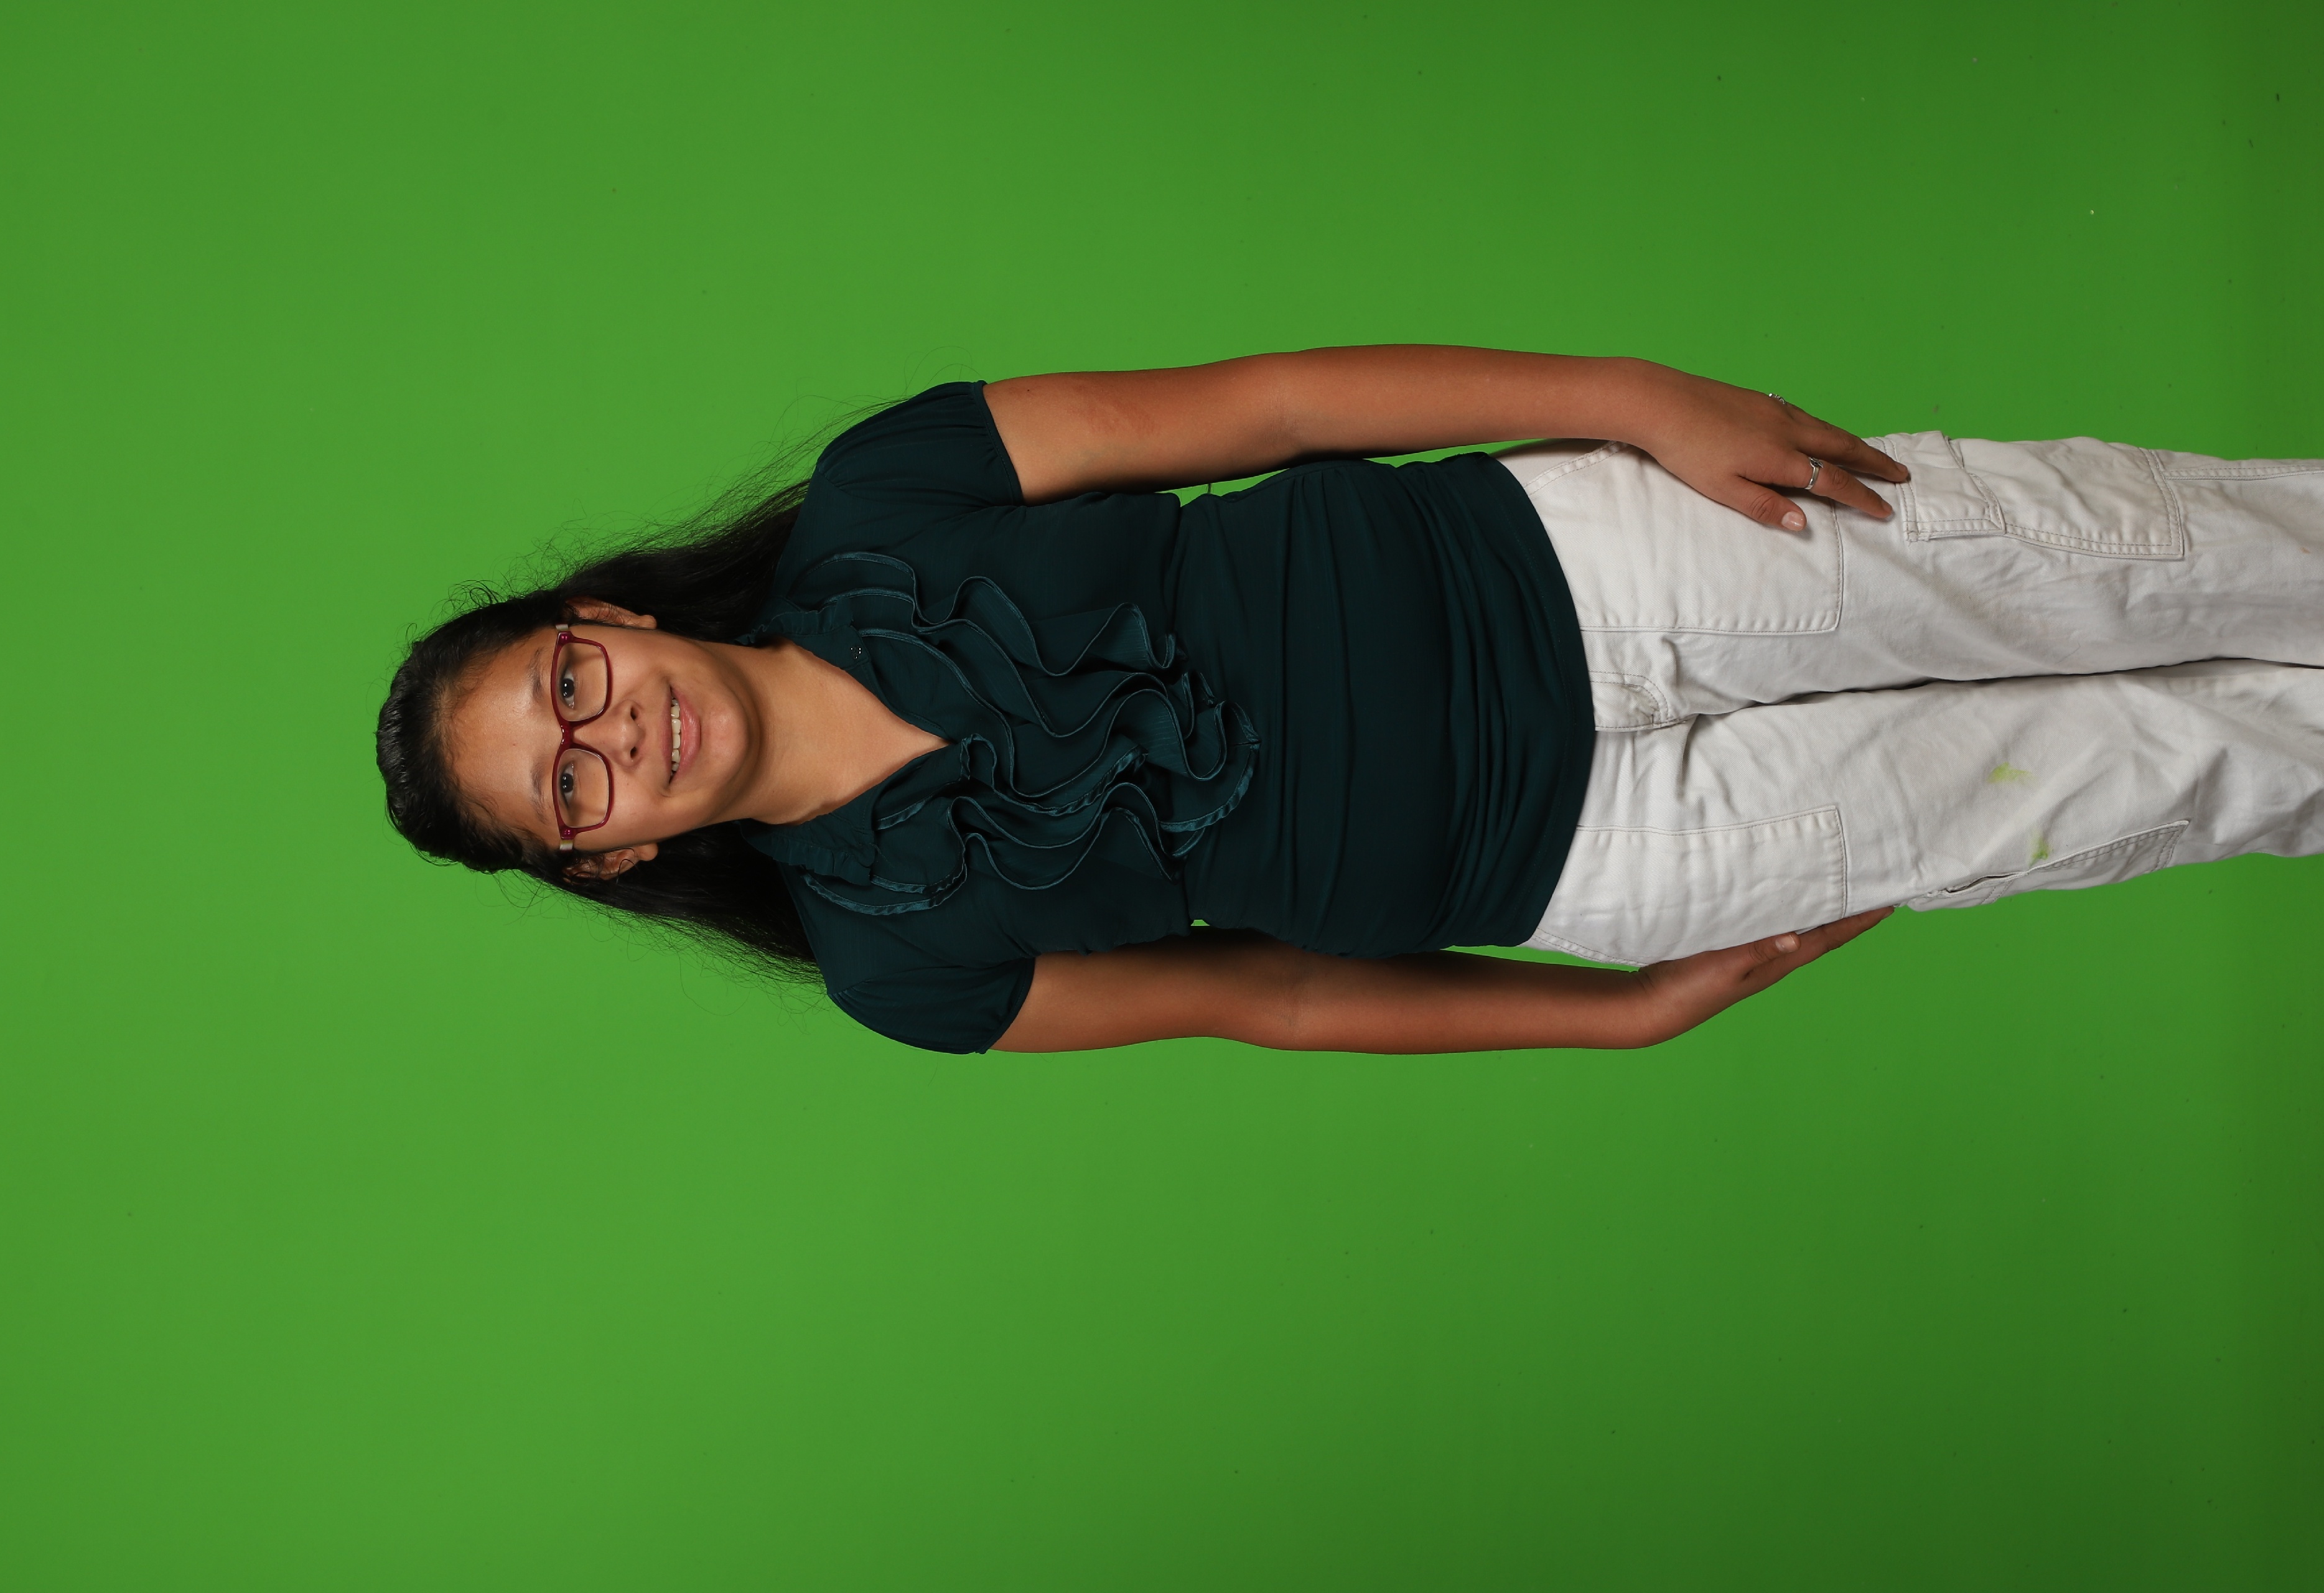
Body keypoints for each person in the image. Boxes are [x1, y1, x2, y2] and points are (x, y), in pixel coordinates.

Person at [375, 347, 2324, 1055]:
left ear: (603, 616)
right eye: (566, 787)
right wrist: (1614, 1016)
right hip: (1611, 861)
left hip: (1584, 564)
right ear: (607, 856)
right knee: (2162, 775)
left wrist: (1628, 397)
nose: (607, 736)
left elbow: (1274, 407)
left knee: (2135, 554)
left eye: (568, 684)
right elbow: (1278, 999)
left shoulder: (890, 490)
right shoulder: (900, 969)